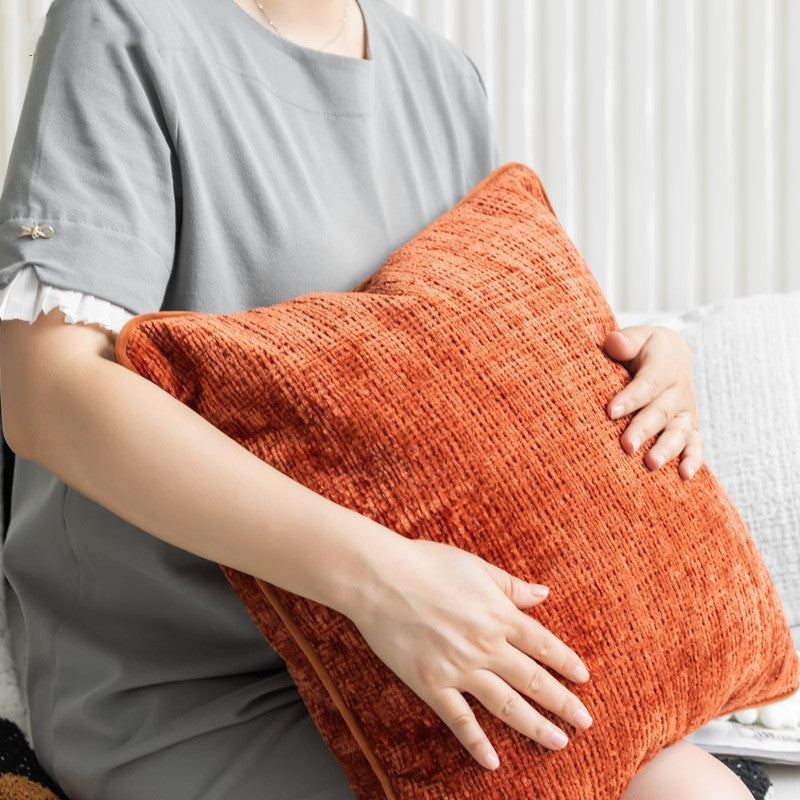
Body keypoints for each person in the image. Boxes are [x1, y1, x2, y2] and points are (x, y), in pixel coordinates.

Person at [0, 0, 741, 798]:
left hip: (420, 658)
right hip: (195, 687)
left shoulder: (442, 78)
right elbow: (47, 393)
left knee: (697, 788)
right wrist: (383, 582)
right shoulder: (125, 25)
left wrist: (640, 361)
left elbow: (461, 347)